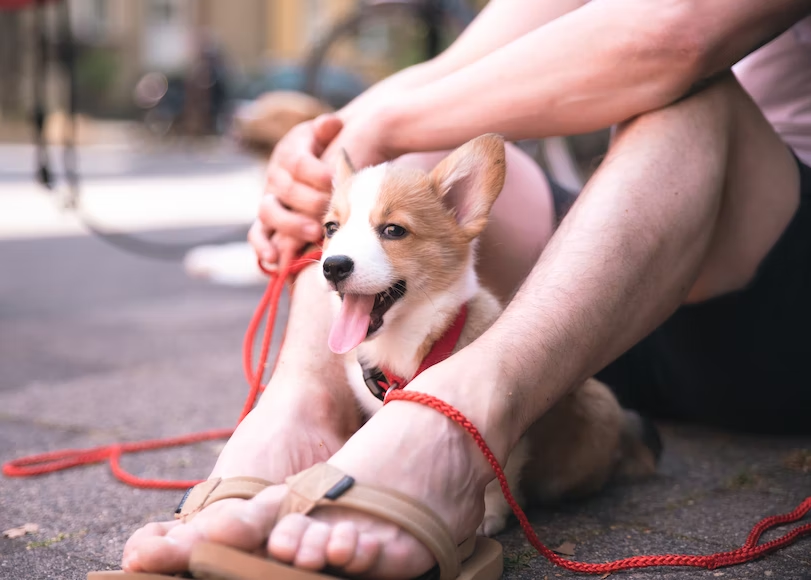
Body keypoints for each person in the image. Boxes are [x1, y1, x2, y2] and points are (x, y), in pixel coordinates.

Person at [121, 0, 811, 577]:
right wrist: (322, 152)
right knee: (397, 164)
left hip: (769, 298)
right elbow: (452, 71)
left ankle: (455, 428)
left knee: (692, 92)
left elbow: (673, 35)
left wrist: (379, 125)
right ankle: (306, 406)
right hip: (601, 288)